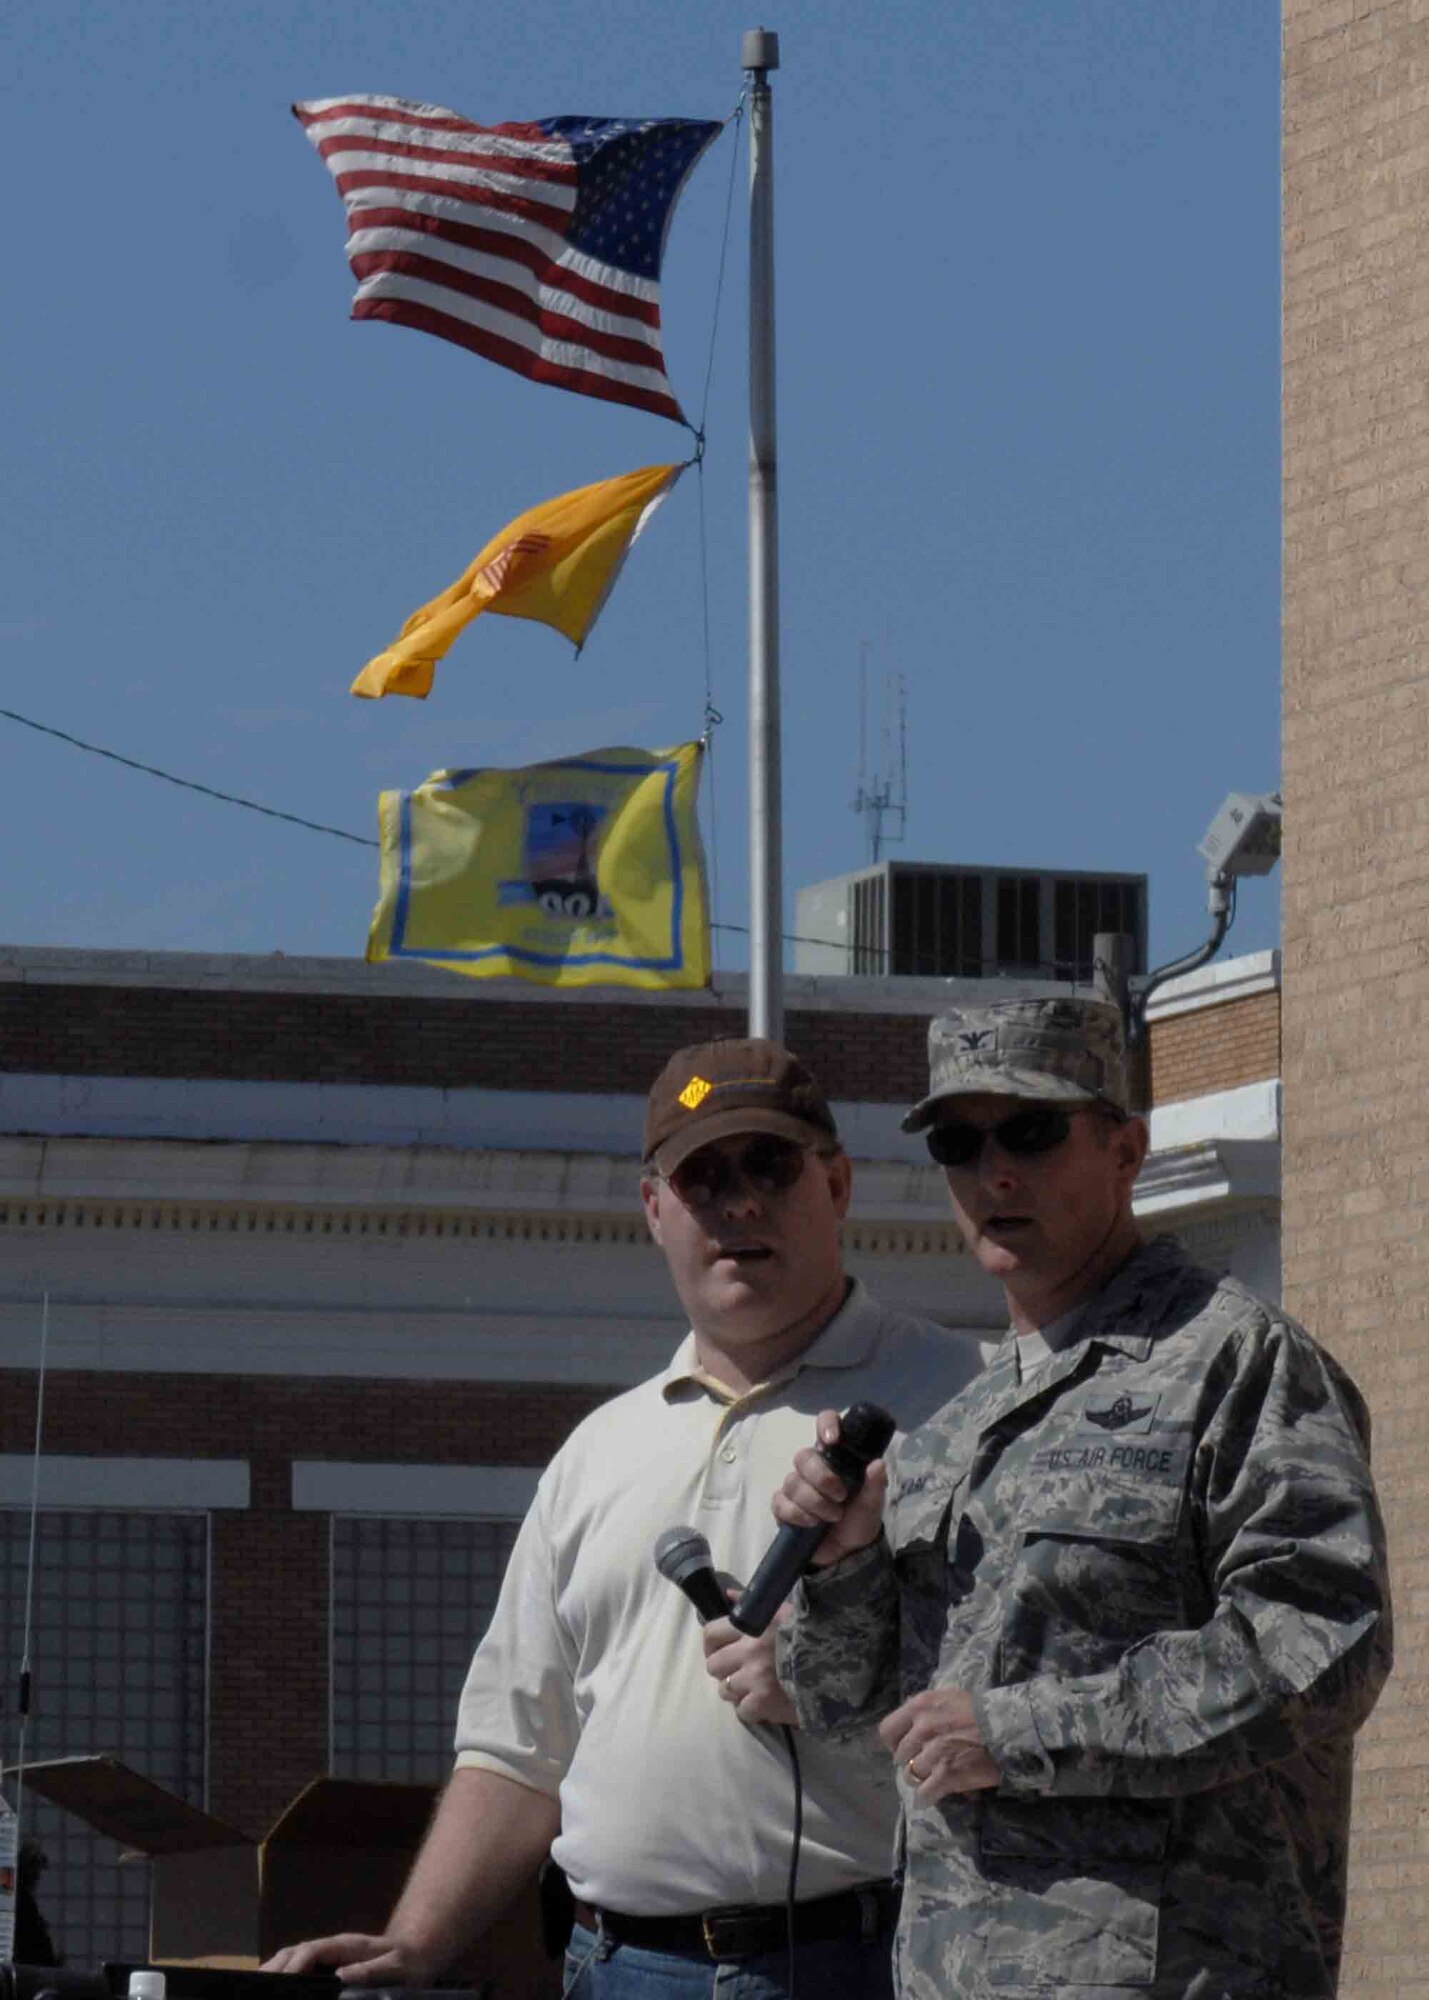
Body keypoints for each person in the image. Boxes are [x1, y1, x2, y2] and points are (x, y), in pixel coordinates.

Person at [264, 1037, 985, 1998]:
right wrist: (415, 1944)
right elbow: (519, 1745)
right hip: (611, 1969)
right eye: (702, 1179)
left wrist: (834, 1666)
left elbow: (1022, 1691)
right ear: (653, 1208)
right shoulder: (598, 1451)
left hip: (858, 1962)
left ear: (837, 1184)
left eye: (769, 1165)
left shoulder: (967, 1399)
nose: (738, 1205)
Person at [772, 996, 1392, 2000]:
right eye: (958, 1143)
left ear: (1125, 1148)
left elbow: (1320, 1643)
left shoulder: (1236, 1363)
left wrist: (1021, 1731)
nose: (993, 1172)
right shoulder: (955, 1426)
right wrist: (843, 1564)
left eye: (1030, 1131)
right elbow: (844, 1705)